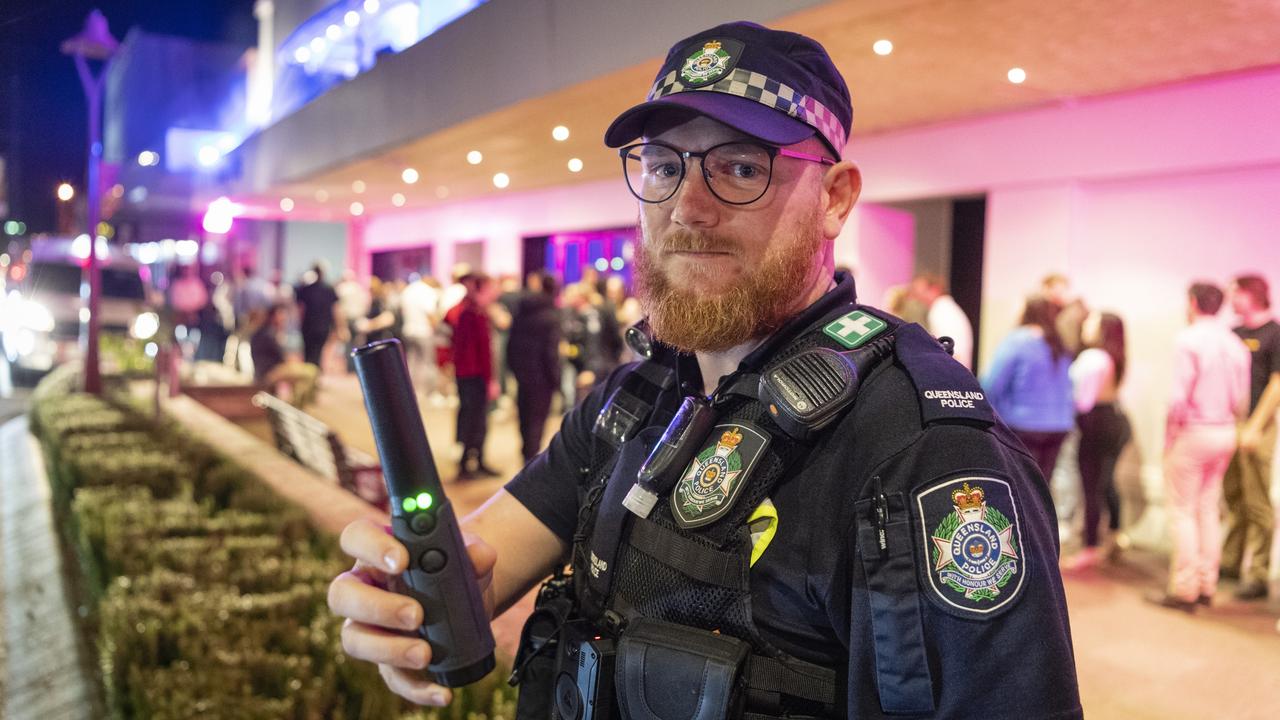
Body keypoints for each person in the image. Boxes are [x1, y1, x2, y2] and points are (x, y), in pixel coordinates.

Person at [328, 21, 1080, 718]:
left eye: (741, 167)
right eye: (662, 166)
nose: (687, 206)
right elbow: (484, 558)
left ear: (835, 198)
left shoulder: (924, 455)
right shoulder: (631, 400)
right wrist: (417, 601)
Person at [1149, 282, 1250, 611]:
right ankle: (1207, 583)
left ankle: (1185, 589)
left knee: (1182, 511)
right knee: (1208, 508)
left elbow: (1178, 398)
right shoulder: (1235, 343)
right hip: (1225, 430)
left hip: (1194, 431)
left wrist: (1168, 439)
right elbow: (1241, 399)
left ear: (1192, 303)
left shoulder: (1188, 339)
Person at [1222, 275, 1280, 601]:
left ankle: (1257, 573)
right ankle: (1230, 561)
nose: (1231, 299)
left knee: (1257, 501)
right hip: (1232, 424)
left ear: (1251, 294)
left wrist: (1256, 426)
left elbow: (1277, 384)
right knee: (1233, 496)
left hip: (1261, 425)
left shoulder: (1275, 332)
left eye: (1235, 293)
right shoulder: (1233, 334)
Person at [1064, 311, 1131, 569]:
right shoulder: (1112, 356)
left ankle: (1091, 546)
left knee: (1091, 486)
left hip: (1097, 424)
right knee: (1106, 483)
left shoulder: (1093, 357)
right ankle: (1114, 537)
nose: (1085, 323)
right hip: (1114, 421)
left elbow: (1082, 400)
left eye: (1091, 320)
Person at [981, 297, 1076, 479]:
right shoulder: (1058, 342)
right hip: (1058, 426)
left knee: (1022, 485)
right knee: (1043, 486)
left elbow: (991, 384)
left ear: (1027, 311)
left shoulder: (1017, 340)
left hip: (1023, 425)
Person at [445, 272, 500, 479]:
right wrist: (490, 379)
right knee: (473, 418)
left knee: (475, 418)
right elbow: (481, 351)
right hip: (472, 374)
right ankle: (467, 463)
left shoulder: (470, 310)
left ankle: (474, 461)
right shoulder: (471, 312)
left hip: (468, 373)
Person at [506, 271, 563, 462]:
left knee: (524, 416)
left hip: (523, 375)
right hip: (542, 379)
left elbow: (510, 345)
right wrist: (556, 380)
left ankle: (525, 454)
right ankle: (530, 458)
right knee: (537, 421)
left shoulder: (521, 313)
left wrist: (514, 370)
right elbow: (550, 353)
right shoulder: (551, 317)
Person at [909, 271, 974, 370]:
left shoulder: (941, 309)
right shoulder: (947, 308)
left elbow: (950, 350)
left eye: (922, 291)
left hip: (952, 373)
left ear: (935, 289)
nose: (918, 297)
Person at [294, 262, 345, 367]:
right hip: (323, 326)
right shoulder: (329, 289)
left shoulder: (305, 289)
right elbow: (335, 310)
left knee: (308, 352)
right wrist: (339, 327)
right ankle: (313, 374)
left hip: (308, 326)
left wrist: (300, 324)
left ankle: (310, 374)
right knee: (317, 352)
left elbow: (300, 310)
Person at [400, 273, 442, 395]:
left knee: (411, 362)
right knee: (428, 363)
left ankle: (409, 390)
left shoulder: (408, 290)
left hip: (408, 330)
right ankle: (430, 392)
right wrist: (437, 327)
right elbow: (430, 314)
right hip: (424, 332)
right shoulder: (428, 292)